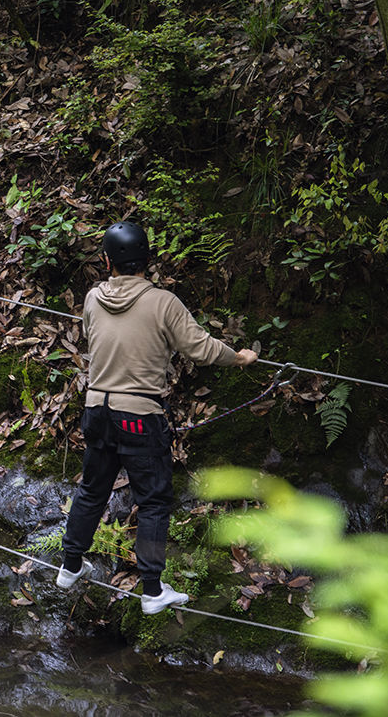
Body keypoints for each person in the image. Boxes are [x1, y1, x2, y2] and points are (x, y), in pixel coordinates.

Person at [55, 220, 257, 614]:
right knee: (152, 501)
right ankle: (151, 591)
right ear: (147, 260)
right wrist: (240, 358)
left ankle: (70, 565)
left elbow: (89, 333)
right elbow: (201, 348)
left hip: (97, 409)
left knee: (92, 490)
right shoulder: (164, 303)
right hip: (139, 415)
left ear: (107, 260)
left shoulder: (93, 298)